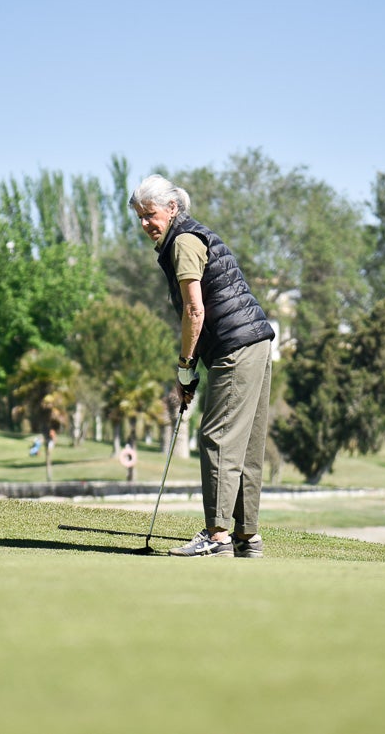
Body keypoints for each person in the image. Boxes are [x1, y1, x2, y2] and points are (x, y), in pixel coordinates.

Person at [129, 174, 275, 558]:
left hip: (235, 347)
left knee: (218, 438)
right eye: (140, 217)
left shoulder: (184, 242)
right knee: (245, 446)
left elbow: (195, 311)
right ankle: (246, 536)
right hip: (257, 342)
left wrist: (184, 368)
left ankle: (216, 535)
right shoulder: (192, 235)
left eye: (151, 214)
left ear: (172, 208)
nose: (145, 224)